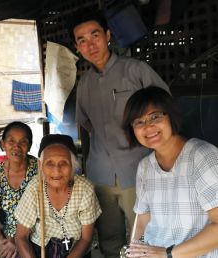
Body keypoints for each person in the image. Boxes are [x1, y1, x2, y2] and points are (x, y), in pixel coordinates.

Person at [67, 10, 170, 257]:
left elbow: (165, 110)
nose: (90, 45)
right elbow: (86, 123)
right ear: (77, 47)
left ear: (108, 35)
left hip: (139, 170)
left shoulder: (136, 71)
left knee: (144, 236)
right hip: (100, 174)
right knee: (109, 237)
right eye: (82, 40)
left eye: (95, 35)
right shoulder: (85, 83)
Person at [121, 86, 218, 257]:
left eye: (155, 117)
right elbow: (142, 217)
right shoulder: (145, 167)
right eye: (139, 122)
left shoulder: (203, 156)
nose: (148, 126)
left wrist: (168, 254)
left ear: (171, 116)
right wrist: (133, 251)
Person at [15, 134, 101, 258]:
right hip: (39, 250)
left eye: (64, 163)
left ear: (73, 166)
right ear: (41, 165)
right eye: (50, 163)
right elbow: (21, 237)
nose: (57, 170)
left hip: (76, 250)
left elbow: (86, 239)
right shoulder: (35, 188)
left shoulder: (85, 189)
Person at [0, 121, 38, 258]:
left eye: (23, 142)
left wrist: (17, 239)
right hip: (6, 240)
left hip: (35, 236)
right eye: (11, 141)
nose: (17, 147)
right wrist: (1, 242)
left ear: (30, 146)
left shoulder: (39, 169)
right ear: (3, 144)